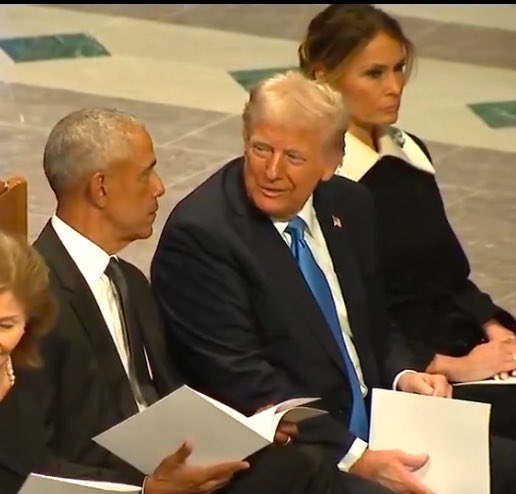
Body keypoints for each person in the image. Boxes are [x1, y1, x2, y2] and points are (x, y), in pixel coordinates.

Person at [149, 70, 464, 494]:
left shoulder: (351, 205)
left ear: (331, 161)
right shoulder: (203, 235)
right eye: (260, 149)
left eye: (293, 157)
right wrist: (358, 457)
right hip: (299, 457)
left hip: (382, 424)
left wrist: (403, 375)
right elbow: (246, 381)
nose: (271, 171)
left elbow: (375, 325)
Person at [27, 108, 350, 494]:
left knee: (306, 462)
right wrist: (148, 488)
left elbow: (164, 396)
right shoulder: (32, 300)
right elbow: (32, 457)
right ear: (101, 187)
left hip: (173, 466)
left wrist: (244, 429)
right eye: (147, 173)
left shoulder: (129, 279)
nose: (160, 187)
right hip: (115, 485)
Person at [298, 3, 516, 440]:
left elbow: (448, 275)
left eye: (399, 69)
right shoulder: (324, 181)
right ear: (325, 75)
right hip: (412, 367)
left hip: (463, 332)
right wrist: (454, 366)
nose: (395, 87)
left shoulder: (409, 152)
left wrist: (496, 329)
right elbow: (350, 314)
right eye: (375, 74)